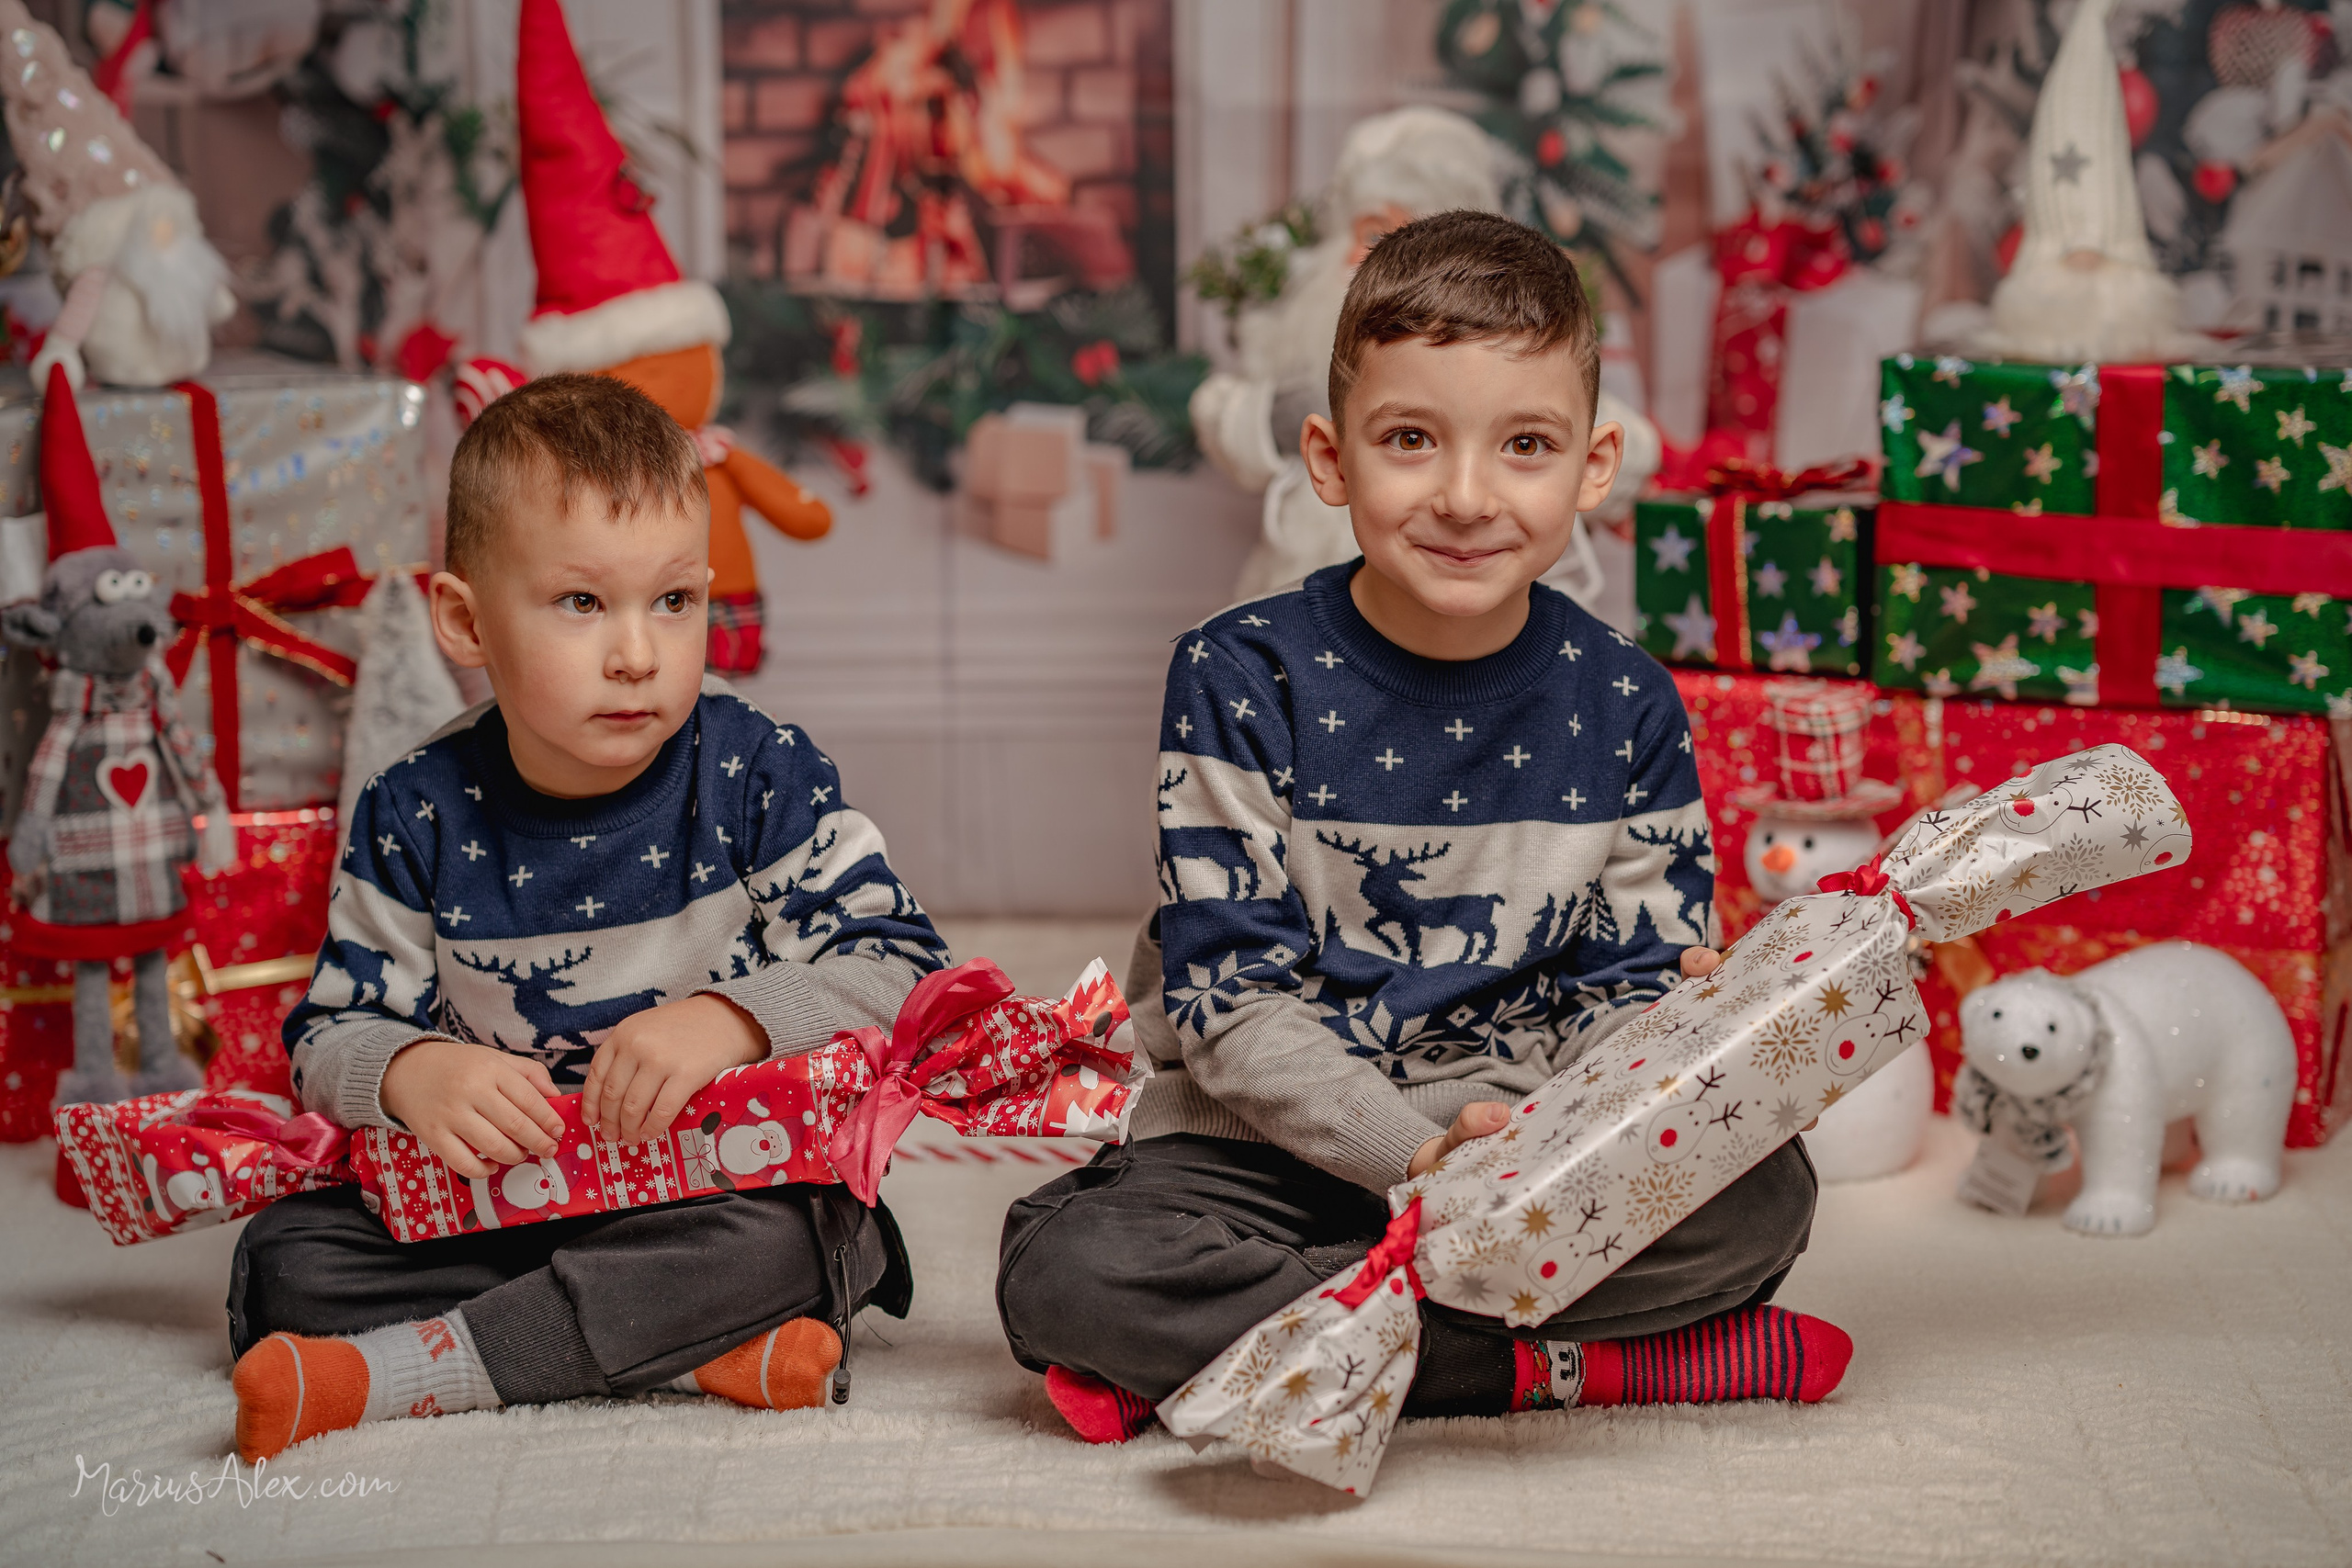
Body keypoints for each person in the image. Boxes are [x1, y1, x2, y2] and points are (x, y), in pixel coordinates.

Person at [999, 211, 1849, 1443]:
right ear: (1330, 458)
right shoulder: (1240, 674)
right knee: (1067, 1271)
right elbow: (1231, 1005)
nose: (1464, 495)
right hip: (1270, 1149)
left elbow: (1627, 986)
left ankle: (1280, 1349)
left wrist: (1682, 1051)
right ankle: (1550, 1368)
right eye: (1410, 439)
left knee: (1763, 1199)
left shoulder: (1626, 704)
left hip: (1526, 1154)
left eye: (1525, 445)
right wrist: (1414, 1156)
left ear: (1593, 466)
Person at [225, 375, 948, 1463]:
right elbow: (328, 1034)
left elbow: (902, 968)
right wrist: (412, 1072)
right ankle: (684, 1345)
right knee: (284, 1261)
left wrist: (734, 1020)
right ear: (467, 621)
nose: (638, 655)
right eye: (579, 604)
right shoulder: (412, 810)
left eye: (674, 602)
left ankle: (428, 1370)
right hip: (502, 1203)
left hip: (716, 1183)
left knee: (804, 1237)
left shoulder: (758, 772)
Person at [1189, 105, 1658, 607]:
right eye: (1372, 235)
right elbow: (1220, 410)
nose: (1463, 502)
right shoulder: (1290, 336)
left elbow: (1607, 433)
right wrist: (1268, 415)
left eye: (1523, 444)